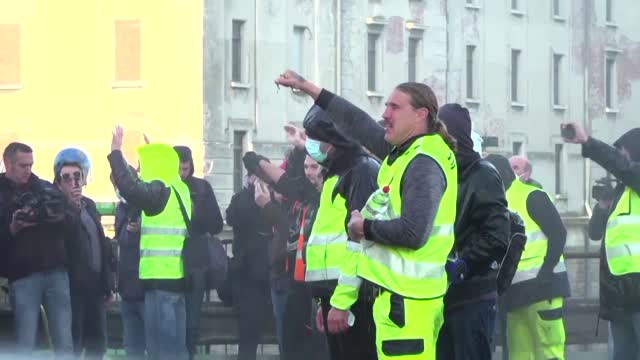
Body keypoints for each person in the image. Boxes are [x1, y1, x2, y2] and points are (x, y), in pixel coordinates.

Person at [275, 70, 458, 359]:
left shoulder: (423, 161)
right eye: (385, 106)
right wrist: (309, 88)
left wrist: (364, 227)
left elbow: (414, 232)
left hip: (408, 305)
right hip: (404, 301)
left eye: (394, 107)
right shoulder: (409, 150)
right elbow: (357, 122)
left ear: (420, 114)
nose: (384, 114)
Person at [245, 103, 380, 360]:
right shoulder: (336, 175)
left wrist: (341, 301)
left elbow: (358, 243)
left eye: (318, 138)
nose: (314, 146)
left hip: (351, 297)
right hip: (333, 293)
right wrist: (324, 300)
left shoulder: (361, 171)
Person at [243, 128, 329, 360]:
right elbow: (285, 182)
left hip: (317, 287)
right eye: (306, 168)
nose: (310, 174)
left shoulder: (326, 198)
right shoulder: (303, 196)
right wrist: (257, 162)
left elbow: (289, 225)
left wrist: (268, 207)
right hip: (295, 282)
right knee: (291, 346)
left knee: (315, 350)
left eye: (314, 168)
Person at [108, 126, 191, 360]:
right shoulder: (179, 189)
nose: (142, 172)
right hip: (176, 279)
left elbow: (130, 188)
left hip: (159, 283)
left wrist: (116, 153)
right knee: (177, 349)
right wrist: (153, 150)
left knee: (159, 351)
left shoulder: (159, 192)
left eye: (145, 166)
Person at [435, 104, 510, 360]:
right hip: (442, 296)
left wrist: (464, 262)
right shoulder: (443, 171)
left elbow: (498, 236)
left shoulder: (483, 175)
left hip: (473, 296)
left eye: (441, 132)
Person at [563, 124, 640, 359]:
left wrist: (588, 142)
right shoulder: (621, 192)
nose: (619, 160)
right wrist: (603, 206)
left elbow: (622, 167)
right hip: (621, 296)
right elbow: (596, 233)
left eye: (623, 153)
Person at [486, 154, 570, 360]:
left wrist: (547, 270)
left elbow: (558, 233)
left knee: (548, 351)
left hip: (542, 288)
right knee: (520, 354)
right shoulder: (495, 203)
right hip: (516, 294)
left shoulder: (532, 195)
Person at [0, 142, 74, 358]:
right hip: (22, 275)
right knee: (25, 342)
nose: (28, 170)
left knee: (64, 339)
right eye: (23, 165)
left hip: (56, 271)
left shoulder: (45, 189)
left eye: (31, 165)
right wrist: (12, 228)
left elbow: (68, 225)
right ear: (7, 163)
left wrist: (66, 206)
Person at [53, 147, 114, 359]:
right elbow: (63, 237)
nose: (74, 182)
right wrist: (72, 207)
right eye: (67, 178)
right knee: (74, 341)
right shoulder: (57, 206)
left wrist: (107, 284)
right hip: (72, 288)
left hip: (95, 287)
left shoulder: (88, 205)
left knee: (98, 343)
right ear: (58, 182)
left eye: (77, 176)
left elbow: (100, 244)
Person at [174, 145, 224, 360]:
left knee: (191, 319)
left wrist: (197, 213)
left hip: (195, 263)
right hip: (172, 261)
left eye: (185, 169)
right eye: (179, 169)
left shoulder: (202, 188)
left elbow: (217, 225)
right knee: (173, 319)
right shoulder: (165, 188)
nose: (182, 174)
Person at [226, 162, 273, 360]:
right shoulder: (243, 200)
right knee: (249, 333)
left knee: (249, 335)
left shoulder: (244, 199)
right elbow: (233, 219)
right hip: (251, 274)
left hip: (259, 273)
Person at [112, 167, 146, 359]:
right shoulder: (121, 208)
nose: (118, 188)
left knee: (151, 342)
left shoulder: (147, 205)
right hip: (127, 287)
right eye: (115, 184)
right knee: (132, 346)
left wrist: (140, 229)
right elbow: (121, 241)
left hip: (146, 287)